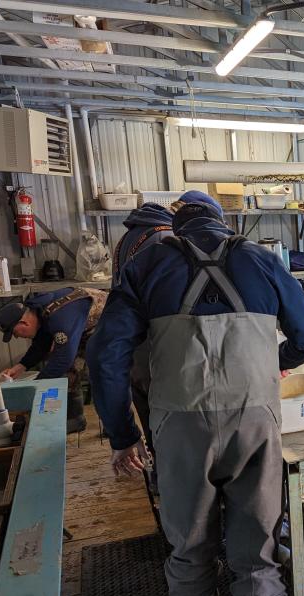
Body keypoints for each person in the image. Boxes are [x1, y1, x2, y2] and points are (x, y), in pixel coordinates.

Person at [86, 201, 304, 596]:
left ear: (174, 228)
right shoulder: (262, 260)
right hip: (254, 422)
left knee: (188, 548)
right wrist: (269, 364)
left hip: (178, 427)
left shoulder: (146, 264)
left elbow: (105, 357)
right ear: (226, 224)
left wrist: (124, 436)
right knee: (256, 555)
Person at [110, 190, 226, 488]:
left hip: (137, 351)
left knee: (155, 426)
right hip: (160, 353)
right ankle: (181, 494)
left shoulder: (132, 235)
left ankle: (164, 484)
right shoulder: (165, 241)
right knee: (180, 434)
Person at [0, 286, 108, 433]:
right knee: (67, 370)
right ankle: (75, 419)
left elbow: (63, 359)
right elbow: (41, 342)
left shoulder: (61, 320)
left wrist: (37, 386)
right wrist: (21, 366)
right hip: (84, 325)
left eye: (15, 333)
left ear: (24, 323)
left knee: (103, 373)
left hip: (109, 323)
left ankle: (116, 425)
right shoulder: (37, 310)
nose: (17, 337)